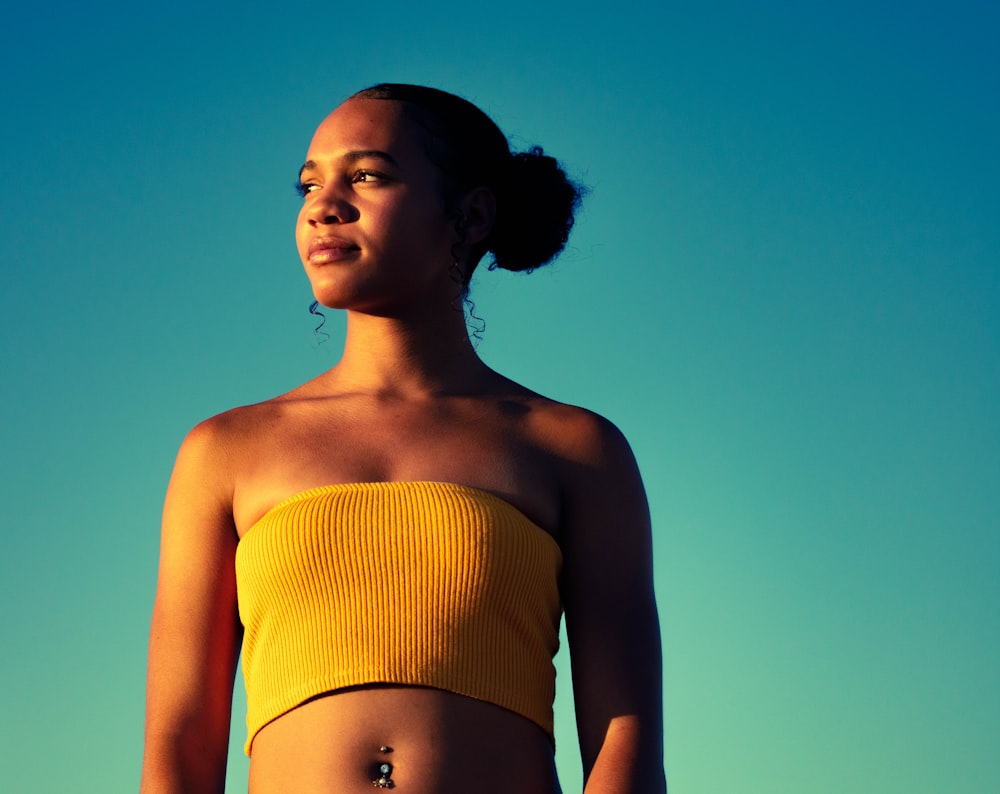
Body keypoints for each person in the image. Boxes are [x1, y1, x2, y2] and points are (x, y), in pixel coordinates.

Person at [140, 83, 665, 794]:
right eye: (308, 184)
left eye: (366, 175)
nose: (323, 205)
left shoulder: (574, 448)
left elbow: (623, 743)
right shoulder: (224, 451)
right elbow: (180, 743)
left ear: (471, 214)